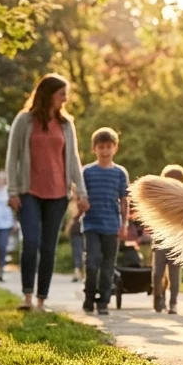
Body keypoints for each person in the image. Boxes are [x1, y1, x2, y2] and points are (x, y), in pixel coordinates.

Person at [5, 73, 89, 312]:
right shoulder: (24, 120)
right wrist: (12, 191)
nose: (65, 98)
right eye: (62, 93)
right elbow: (13, 158)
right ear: (48, 94)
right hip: (28, 191)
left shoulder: (65, 124)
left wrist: (81, 192)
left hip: (57, 193)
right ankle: (27, 297)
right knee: (31, 242)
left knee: (49, 247)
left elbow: (73, 159)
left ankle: (42, 300)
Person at [80, 127, 130, 316]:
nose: (105, 151)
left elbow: (125, 200)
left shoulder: (120, 173)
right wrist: (79, 202)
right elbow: (79, 196)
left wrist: (124, 224)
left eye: (109, 147)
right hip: (92, 224)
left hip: (112, 225)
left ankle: (104, 301)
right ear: (94, 149)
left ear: (115, 148)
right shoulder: (87, 171)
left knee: (108, 266)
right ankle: (89, 297)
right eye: (101, 147)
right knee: (92, 263)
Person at [152, 163, 183, 314]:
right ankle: (158, 297)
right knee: (157, 273)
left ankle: (173, 303)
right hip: (160, 242)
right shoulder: (158, 198)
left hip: (176, 243)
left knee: (174, 275)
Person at [64, 199, 85, 282]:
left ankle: (81, 272)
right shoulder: (73, 203)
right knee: (78, 251)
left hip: (83, 228)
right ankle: (78, 271)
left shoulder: (73, 203)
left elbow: (72, 216)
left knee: (81, 251)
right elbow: (73, 216)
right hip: (78, 229)